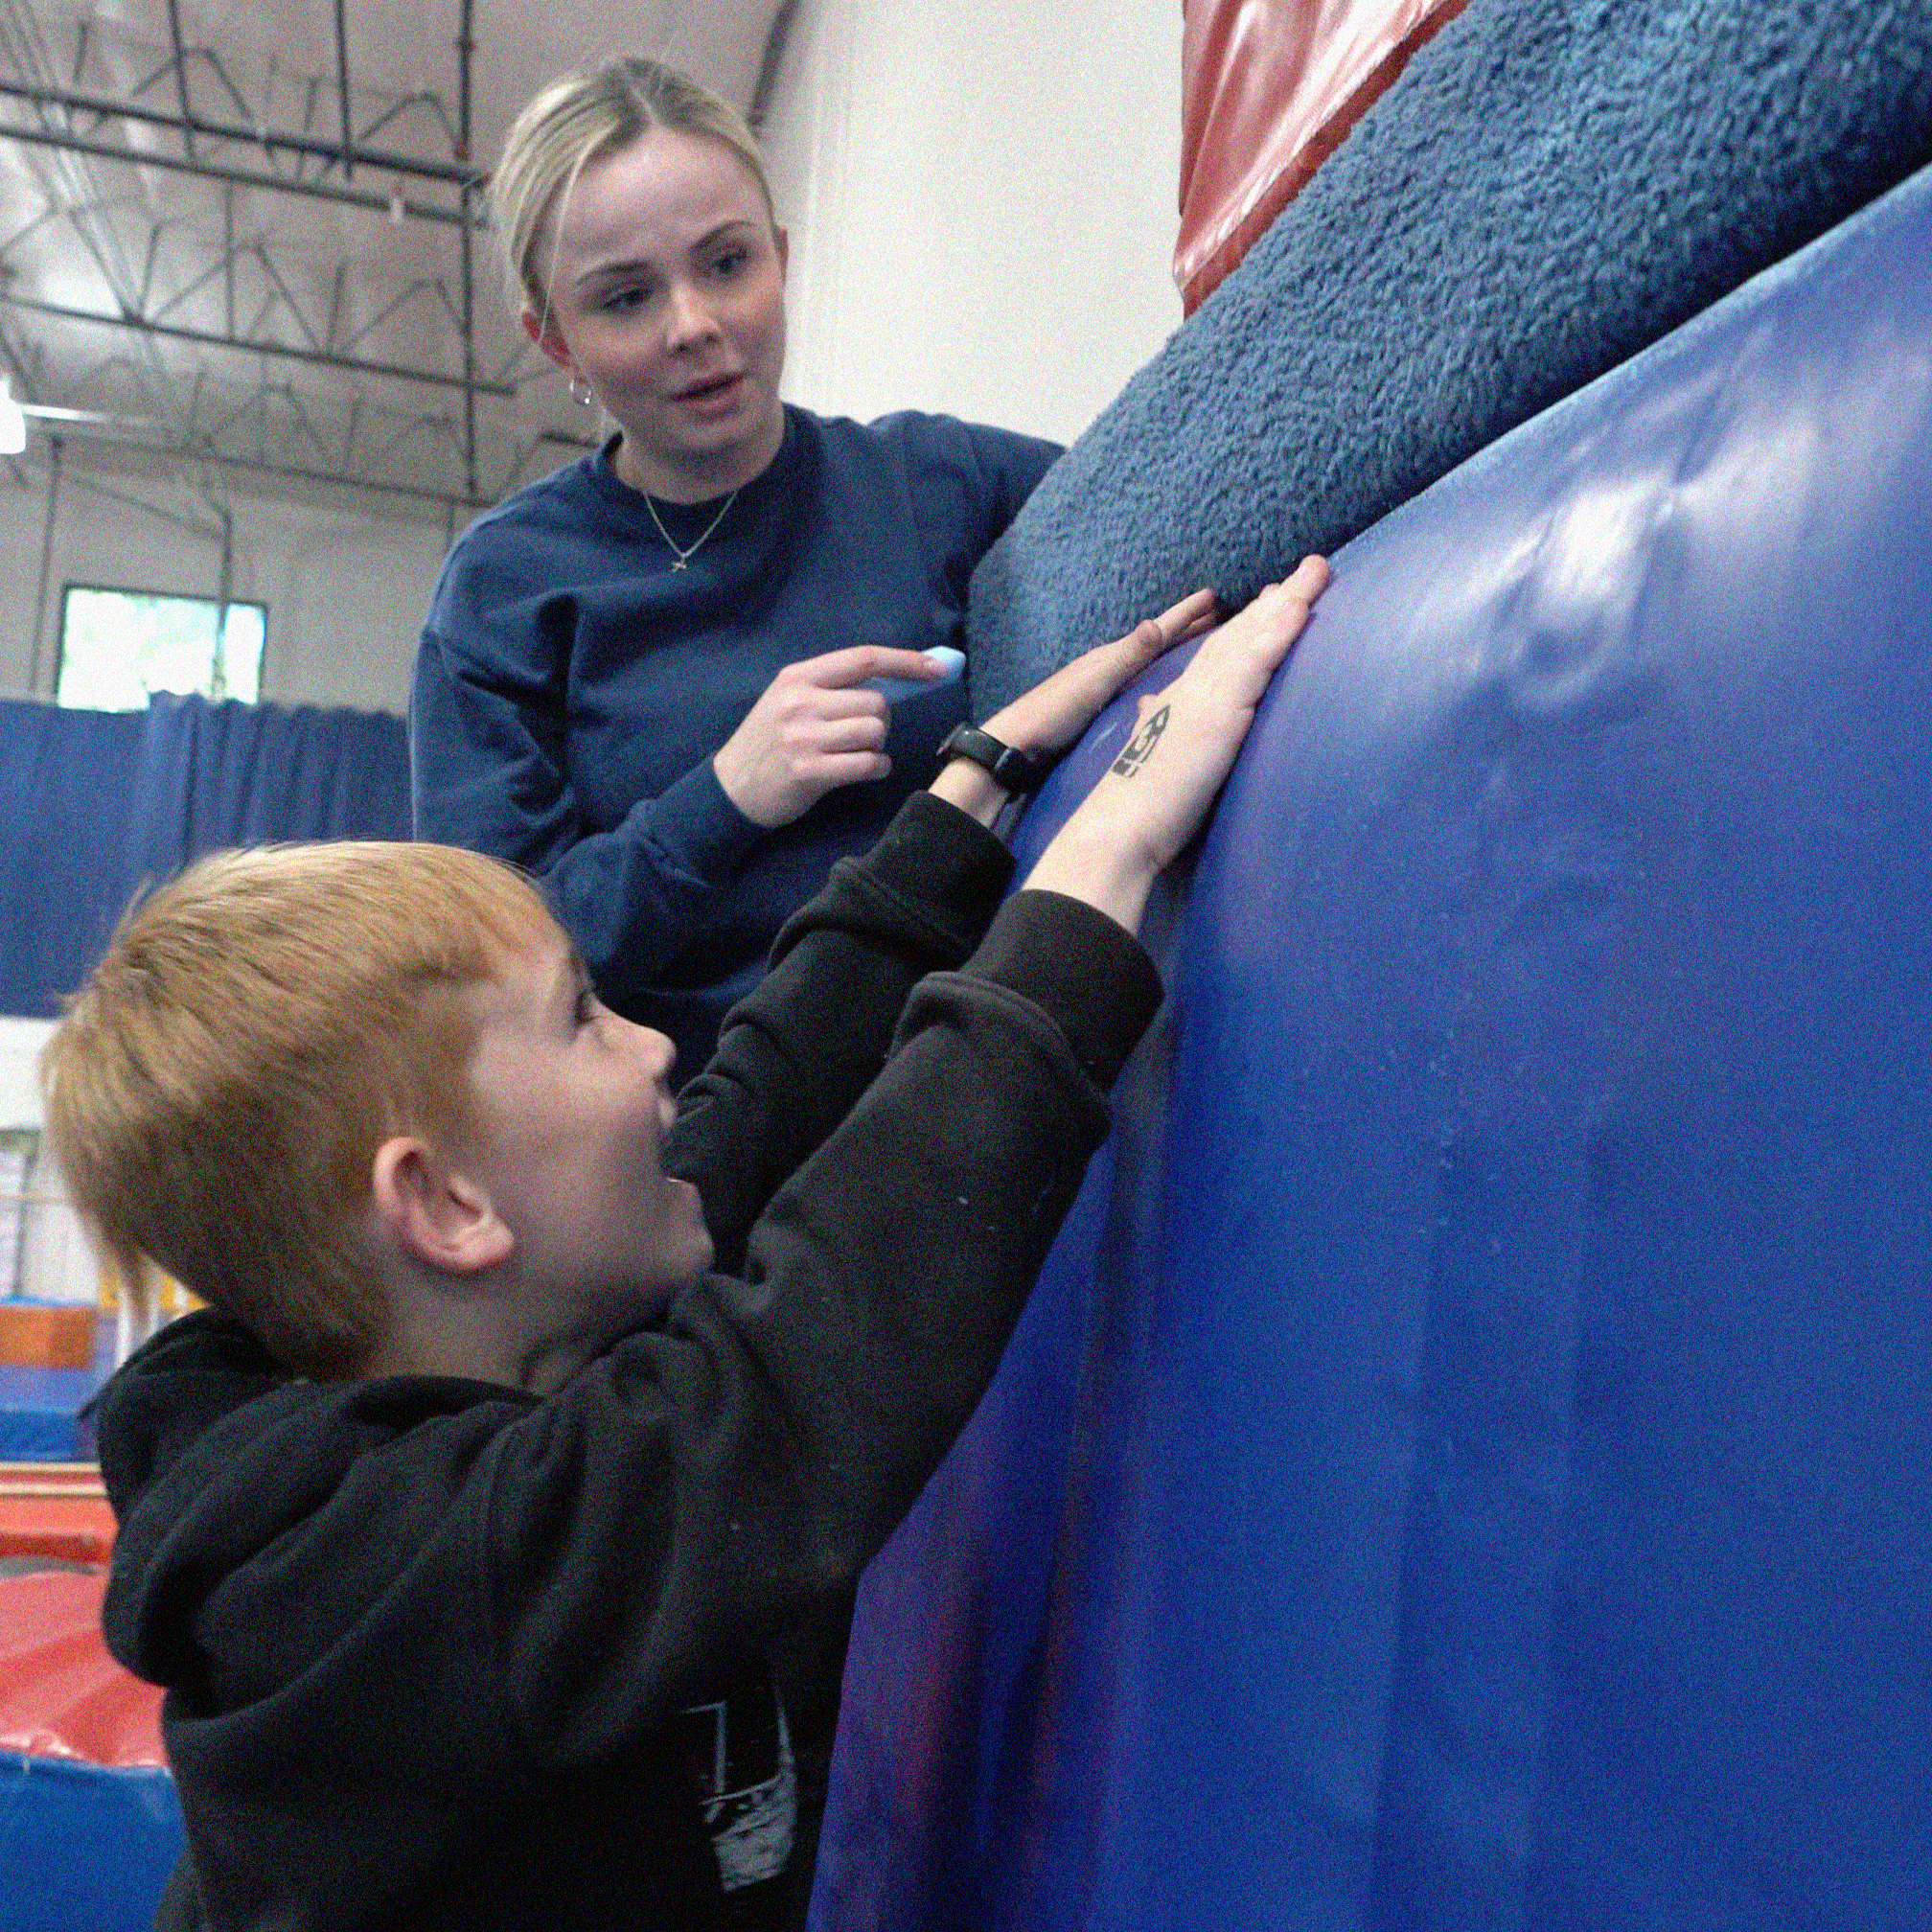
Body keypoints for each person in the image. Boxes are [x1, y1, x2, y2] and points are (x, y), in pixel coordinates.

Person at [48, 556, 1327, 1932]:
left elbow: (747, 1122)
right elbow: (795, 1378)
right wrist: (1099, 866)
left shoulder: (480, 1337)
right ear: (448, 1209)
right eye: (584, 1018)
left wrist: (973, 794)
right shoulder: (407, 1579)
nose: (658, 1046)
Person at [412, 57, 1064, 1076]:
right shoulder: (507, 588)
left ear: (782, 256)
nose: (694, 325)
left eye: (726, 264)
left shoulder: (938, 483)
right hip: (685, 1161)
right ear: (556, 343)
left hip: (949, 1102)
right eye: (625, 298)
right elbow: (494, 968)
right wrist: (725, 796)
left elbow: (1183, 492)